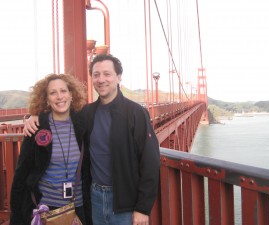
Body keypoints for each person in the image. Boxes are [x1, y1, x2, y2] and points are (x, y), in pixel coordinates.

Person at [23, 54, 161, 225]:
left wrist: (143, 208)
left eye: (107, 74)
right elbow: (59, 112)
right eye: (96, 75)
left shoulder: (135, 113)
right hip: (93, 198)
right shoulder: (86, 113)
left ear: (118, 78)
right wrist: (32, 116)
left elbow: (151, 163)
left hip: (125, 203)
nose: (101, 79)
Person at [10, 73, 91, 225]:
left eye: (63, 91)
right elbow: (21, 173)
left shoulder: (82, 123)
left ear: (71, 94)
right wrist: (16, 217)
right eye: (53, 93)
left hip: (77, 208)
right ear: (47, 99)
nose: (59, 96)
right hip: (46, 209)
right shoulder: (37, 127)